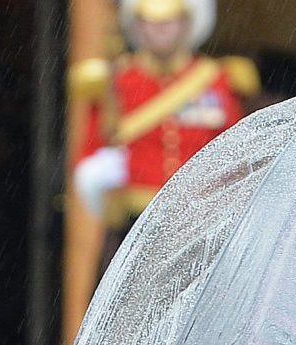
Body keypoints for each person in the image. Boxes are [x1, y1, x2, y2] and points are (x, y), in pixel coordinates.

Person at [71, 0, 258, 256]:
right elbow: (90, 151)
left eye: (169, 21)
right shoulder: (117, 81)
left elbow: (236, 153)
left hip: (199, 221)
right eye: (150, 22)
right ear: (136, 25)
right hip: (134, 224)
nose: (159, 30)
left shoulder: (216, 80)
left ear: (187, 23)